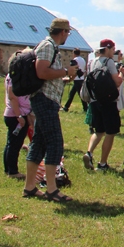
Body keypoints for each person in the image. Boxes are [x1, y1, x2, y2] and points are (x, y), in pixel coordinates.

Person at [22, 18, 78, 202]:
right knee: (55, 142)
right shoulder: (48, 46)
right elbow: (41, 72)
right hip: (44, 100)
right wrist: (65, 71)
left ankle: (30, 187)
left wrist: (65, 77)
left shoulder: (50, 46)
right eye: (68, 32)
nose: (68, 35)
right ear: (63, 32)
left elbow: (47, 76)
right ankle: (52, 189)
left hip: (46, 99)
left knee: (39, 143)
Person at [83, 39, 124, 170]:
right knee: (110, 132)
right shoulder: (109, 62)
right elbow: (117, 81)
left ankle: (89, 152)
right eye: (113, 50)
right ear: (108, 49)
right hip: (108, 101)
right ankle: (103, 162)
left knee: (99, 130)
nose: (113, 53)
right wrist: (122, 74)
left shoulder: (93, 62)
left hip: (95, 100)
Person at [3, 49, 33, 179]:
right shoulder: (14, 76)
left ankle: (8, 169)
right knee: (15, 145)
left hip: (16, 114)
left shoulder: (15, 75)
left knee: (12, 143)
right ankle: (13, 171)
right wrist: (19, 116)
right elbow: (12, 96)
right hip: (16, 115)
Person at [63, 48, 86, 112]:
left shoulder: (74, 60)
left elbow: (74, 70)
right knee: (72, 94)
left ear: (74, 53)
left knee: (80, 95)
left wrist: (70, 78)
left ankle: (86, 108)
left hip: (76, 79)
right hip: (81, 78)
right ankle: (66, 107)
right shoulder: (83, 60)